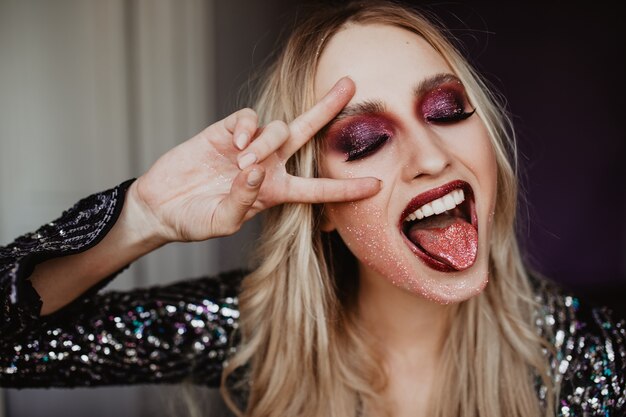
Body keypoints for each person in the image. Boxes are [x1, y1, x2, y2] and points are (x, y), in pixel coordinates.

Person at [1, 1, 624, 416]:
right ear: (317, 204)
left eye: (446, 110)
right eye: (363, 141)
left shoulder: (598, 355)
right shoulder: (255, 335)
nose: (431, 156)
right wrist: (143, 217)